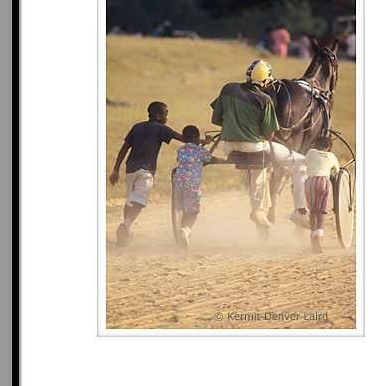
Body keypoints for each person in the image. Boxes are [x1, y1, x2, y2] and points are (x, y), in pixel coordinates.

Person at [210, 60, 312, 230]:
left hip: (229, 147)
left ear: (248, 76)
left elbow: (215, 119)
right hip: (255, 147)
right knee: (300, 163)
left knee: (259, 169)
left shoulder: (228, 89)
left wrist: (234, 127)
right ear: (266, 82)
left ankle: (258, 210)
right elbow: (269, 134)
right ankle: (300, 212)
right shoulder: (264, 100)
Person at [108, 101, 211, 246]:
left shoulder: (137, 127)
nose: (167, 118)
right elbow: (184, 139)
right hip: (146, 170)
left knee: (130, 200)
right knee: (139, 201)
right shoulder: (161, 128)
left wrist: (115, 169)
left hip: (130, 168)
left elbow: (124, 148)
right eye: (165, 115)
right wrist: (204, 141)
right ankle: (124, 226)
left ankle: (126, 231)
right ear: (158, 116)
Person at [173, 125, 225, 249]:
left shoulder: (180, 149)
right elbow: (211, 159)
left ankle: (183, 231)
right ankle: (185, 230)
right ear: (197, 138)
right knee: (193, 211)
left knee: (184, 209)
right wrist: (222, 160)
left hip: (178, 183)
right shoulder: (199, 151)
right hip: (191, 184)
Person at [304, 136, 340, 253]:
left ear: (315, 145)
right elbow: (336, 171)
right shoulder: (331, 156)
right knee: (321, 213)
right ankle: (319, 238)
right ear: (328, 148)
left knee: (313, 211)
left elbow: (305, 164)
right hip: (324, 182)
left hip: (310, 182)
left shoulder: (310, 152)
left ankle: (313, 237)